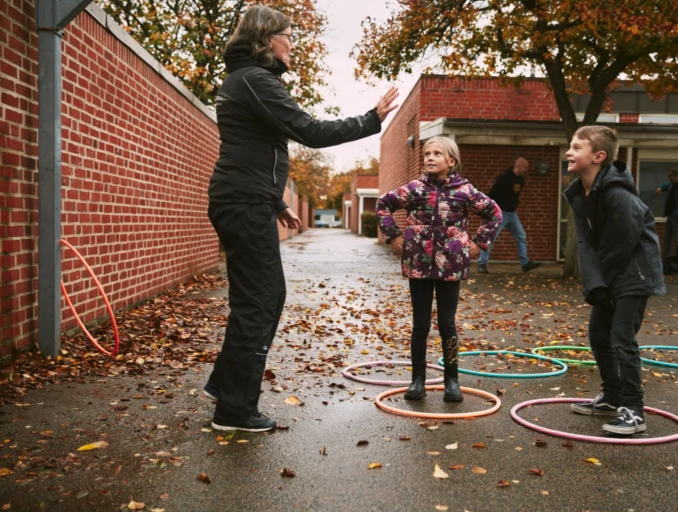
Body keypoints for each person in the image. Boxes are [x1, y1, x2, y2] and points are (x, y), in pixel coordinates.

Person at [204, 5, 399, 432]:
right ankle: (235, 410)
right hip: (243, 202)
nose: (292, 44)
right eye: (288, 36)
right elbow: (308, 130)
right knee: (258, 302)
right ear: (266, 39)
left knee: (263, 299)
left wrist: (277, 202)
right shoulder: (256, 80)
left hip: (248, 199)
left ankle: (225, 386)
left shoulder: (247, 80)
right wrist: (371, 120)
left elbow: (251, 151)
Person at [376, 136, 501, 402]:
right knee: (420, 324)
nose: (429, 157)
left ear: (451, 161)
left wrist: (479, 242)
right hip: (418, 263)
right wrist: (394, 235)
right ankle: (418, 379)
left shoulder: (464, 191)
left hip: (451, 264)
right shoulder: (414, 189)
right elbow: (383, 204)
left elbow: (494, 213)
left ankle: (452, 380)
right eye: (427, 153)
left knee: (447, 324)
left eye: (437, 154)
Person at [562, 126, 666, 435]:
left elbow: (621, 243)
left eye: (576, 147)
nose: (569, 152)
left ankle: (634, 411)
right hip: (611, 273)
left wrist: (600, 281)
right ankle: (612, 396)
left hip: (635, 273)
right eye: (570, 146)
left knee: (622, 338)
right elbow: (587, 244)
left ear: (598, 156)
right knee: (598, 335)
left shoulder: (618, 194)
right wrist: (596, 285)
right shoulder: (582, 193)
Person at [477, 158, 541, 274]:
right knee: (490, 237)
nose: (525, 171)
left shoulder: (521, 180)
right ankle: (482, 263)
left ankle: (525, 263)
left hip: (512, 214)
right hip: (500, 213)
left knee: (521, 235)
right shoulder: (504, 178)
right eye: (525, 168)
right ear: (519, 166)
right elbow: (492, 194)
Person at [654, 167, 678, 256]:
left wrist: (675, 213)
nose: (669, 178)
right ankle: (666, 259)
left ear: (677, 176)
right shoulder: (673, 184)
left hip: (677, 217)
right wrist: (660, 187)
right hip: (670, 216)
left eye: (670, 176)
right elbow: (665, 185)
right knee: (667, 240)